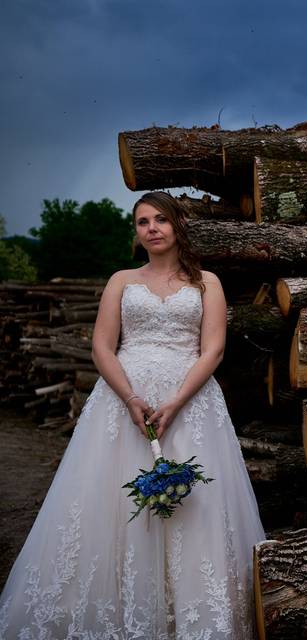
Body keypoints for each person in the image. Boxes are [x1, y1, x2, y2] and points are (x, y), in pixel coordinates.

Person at [0, 191, 266, 638]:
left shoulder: (208, 283)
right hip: (123, 402)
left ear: (178, 224)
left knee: (195, 508)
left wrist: (178, 401)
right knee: (111, 505)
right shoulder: (121, 280)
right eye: (143, 222)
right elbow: (102, 347)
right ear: (136, 233)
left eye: (161, 219)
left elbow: (213, 348)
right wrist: (129, 398)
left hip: (192, 403)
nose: (153, 228)